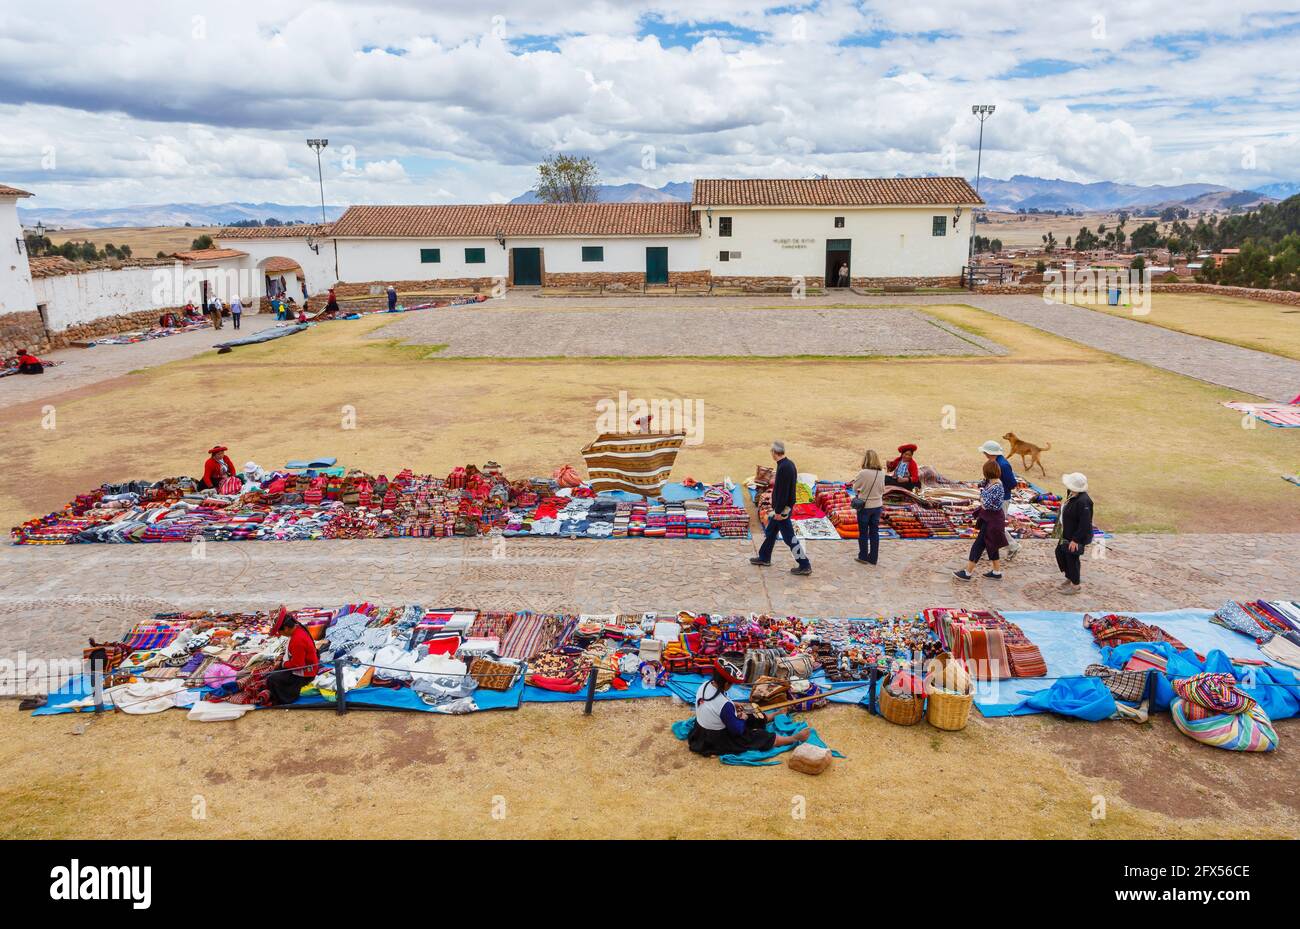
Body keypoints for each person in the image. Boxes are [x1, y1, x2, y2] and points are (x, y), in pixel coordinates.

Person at [687, 658, 810, 757]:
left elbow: (716, 703)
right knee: (758, 736)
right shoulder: (725, 705)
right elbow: (738, 730)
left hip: (701, 732)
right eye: (731, 684)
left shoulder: (705, 685)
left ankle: (773, 715)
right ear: (725, 684)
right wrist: (743, 718)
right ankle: (792, 738)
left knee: (750, 712)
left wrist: (735, 705)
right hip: (717, 739)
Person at [750, 440, 812, 575]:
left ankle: (804, 564)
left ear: (774, 452)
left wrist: (778, 511)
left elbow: (783, 492)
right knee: (771, 533)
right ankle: (764, 557)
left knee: (789, 538)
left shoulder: (784, 468)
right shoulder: (788, 464)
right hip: (783, 508)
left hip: (782, 511)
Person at [953, 459, 1009, 581]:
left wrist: (982, 495)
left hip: (992, 520)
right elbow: (983, 488)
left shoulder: (997, 487)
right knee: (991, 545)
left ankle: (967, 573)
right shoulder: (992, 483)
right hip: (990, 519)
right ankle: (996, 571)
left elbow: (988, 504)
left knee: (978, 545)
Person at [261, 608, 319, 706]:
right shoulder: (298, 628)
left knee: (272, 679)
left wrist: (283, 663)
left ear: (286, 628)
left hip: (305, 674)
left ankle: (283, 699)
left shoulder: (297, 640)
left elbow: (298, 665)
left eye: (280, 632)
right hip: (306, 665)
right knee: (274, 671)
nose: (280, 634)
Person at [1054, 472, 1094, 596]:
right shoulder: (1072, 494)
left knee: (1072, 559)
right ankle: (1069, 576)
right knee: (1060, 553)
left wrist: (1076, 540)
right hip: (1067, 533)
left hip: (1075, 536)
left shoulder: (1084, 502)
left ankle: (1075, 584)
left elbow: (1085, 523)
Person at [980, 439, 1020, 560]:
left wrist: (996, 488)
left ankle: (1012, 546)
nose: (984, 455)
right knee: (992, 525)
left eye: (985, 452)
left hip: (1001, 499)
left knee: (996, 526)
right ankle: (989, 548)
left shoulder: (1003, 465)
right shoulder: (996, 462)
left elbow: (1012, 483)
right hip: (997, 498)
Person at [851, 448, 885, 565]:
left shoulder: (863, 473)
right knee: (874, 532)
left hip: (865, 506)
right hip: (877, 506)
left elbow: (855, 488)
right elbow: (883, 489)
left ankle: (863, 556)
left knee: (863, 532)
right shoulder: (882, 473)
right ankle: (873, 558)